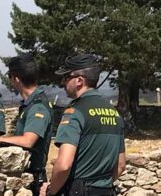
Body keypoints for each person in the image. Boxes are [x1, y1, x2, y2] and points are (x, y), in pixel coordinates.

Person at [44, 54, 125, 196]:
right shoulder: (114, 113)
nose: (63, 83)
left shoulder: (75, 111)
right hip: (106, 190)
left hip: (78, 190)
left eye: (66, 77)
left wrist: (51, 191)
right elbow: (120, 165)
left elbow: (63, 165)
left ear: (79, 80)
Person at [0, 53, 55, 194]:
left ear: (16, 79)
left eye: (10, 77)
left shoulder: (37, 106)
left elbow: (28, 140)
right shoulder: (30, 103)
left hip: (33, 179)